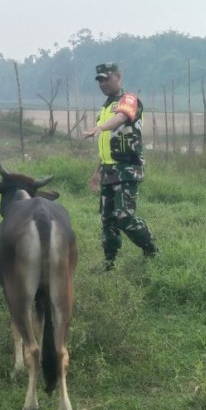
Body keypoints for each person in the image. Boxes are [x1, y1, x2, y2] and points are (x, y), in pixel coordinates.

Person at [82, 62, 158, 271]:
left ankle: (151, 249)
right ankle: (109, 262)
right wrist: (96, 173)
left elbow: (120, 119)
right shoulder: (105, 106)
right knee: (108, 221)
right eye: (99, 80)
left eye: (106, 78)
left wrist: (99, 127)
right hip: (108, 171)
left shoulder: (129, 100)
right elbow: (106, 144)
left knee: (125, 217)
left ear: (119, 77)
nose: (102, 83)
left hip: (126, 170)